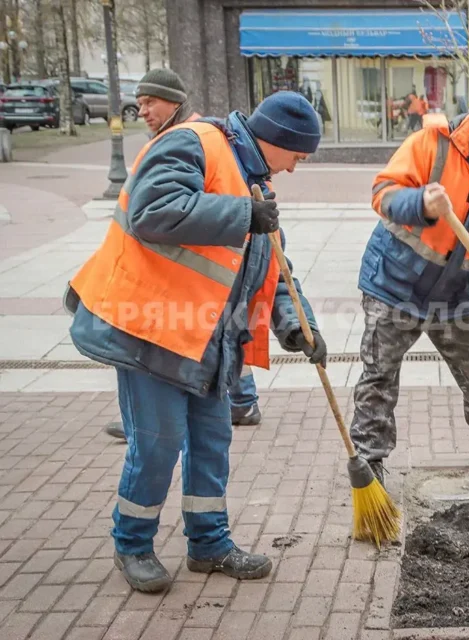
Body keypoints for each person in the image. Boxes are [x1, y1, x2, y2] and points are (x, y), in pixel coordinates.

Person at [63, 91, 328, 592]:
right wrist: (244, 214)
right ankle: (132, 545)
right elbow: (152, 211)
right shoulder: (193, 144)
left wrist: (298, 326)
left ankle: (209, 544)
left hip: (207, 341)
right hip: (151, 333)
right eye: (297, 155)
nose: (295, 167)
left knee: (211, 444)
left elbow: (273, 267)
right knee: (158, 444)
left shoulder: (255, 180)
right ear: (276, 140)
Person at [355, 100, 469, 488]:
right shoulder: (432, 144)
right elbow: (383, 193)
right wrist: (421, 202)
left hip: (455, 291)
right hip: (394, 282)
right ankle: (369, 460)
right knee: (379, 376)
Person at [103, 69, 263, 442]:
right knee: (224, 334)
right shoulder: (187, 137)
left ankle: (153, 417)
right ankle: (242, 400)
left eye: (150, 102)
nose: (142, 110)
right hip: (205, 273)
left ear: (175, 101)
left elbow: (167, 211)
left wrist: (242, 217)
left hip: (197, 275)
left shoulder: (189, 140)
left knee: (217, 335)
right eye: (139, 103)